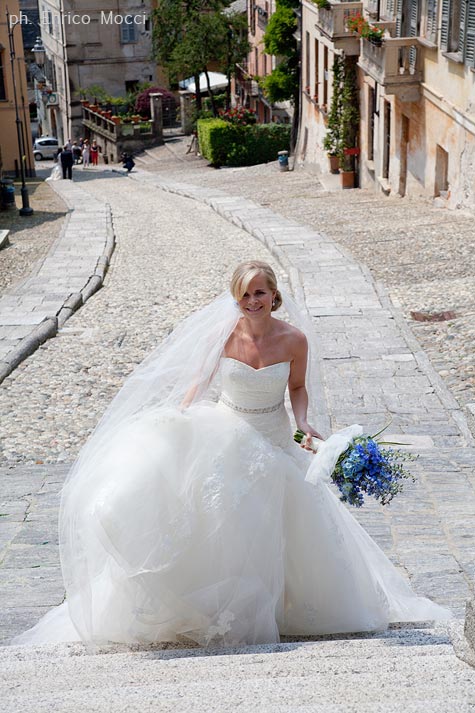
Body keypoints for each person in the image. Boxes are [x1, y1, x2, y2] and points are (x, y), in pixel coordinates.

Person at [11, 261, 451, 647]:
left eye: (259, 292)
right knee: (219, 517)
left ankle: (281, 606)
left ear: (274, 296)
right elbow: (199, 378)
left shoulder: (294, 340)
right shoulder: (223, 335)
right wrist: (181, 413)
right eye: (244, 293)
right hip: (226, 430)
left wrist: (304, 424)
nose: (251, 300)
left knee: (287, 522)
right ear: (234, 298)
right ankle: (212, 606)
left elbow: (296, 387)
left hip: (275, 435)